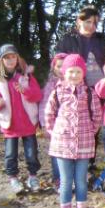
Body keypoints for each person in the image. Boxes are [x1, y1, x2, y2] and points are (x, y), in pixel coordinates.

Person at [44, 54, 103, 208]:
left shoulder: (89, 93)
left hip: (84, 143)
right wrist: (55, 132)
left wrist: (90, 131)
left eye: (78, 71)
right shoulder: (57, 91)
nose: (74, 75)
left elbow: (97, 114)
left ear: (83, 73)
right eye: (71, 71)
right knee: (65, 182)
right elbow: (49, 114)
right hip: (62, 144)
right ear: (64, 72)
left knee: (81, 181)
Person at [0, 44, 43, 193]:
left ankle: (32, 177)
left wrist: (25, 91)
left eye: (13, 57)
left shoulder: (26, 76)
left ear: (18, 58)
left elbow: (38, 95)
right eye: (7, 58)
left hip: (28, 122)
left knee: (31, 153)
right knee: (10, 154)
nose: (10, 60)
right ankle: (13, 179)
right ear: (1, 61)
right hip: (10, 124)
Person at [55, 5, 105, 88]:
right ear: (79, 21)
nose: (92, 26)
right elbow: (58, 64)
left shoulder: (102, 40)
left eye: (95, 23)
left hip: (102, 87)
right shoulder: (67, 39)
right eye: (88, 22)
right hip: (77, 87)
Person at [38, 52, 68, 190]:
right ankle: (58, 179)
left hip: (71, 125)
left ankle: (70, 178)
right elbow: (44, 105)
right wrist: (45, 124)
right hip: (55, 125)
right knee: (57, 153)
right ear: (53, 68)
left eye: (64, 66)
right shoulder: (51, 85)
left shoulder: (76, 82)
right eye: (58, 66)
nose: (61, 69)